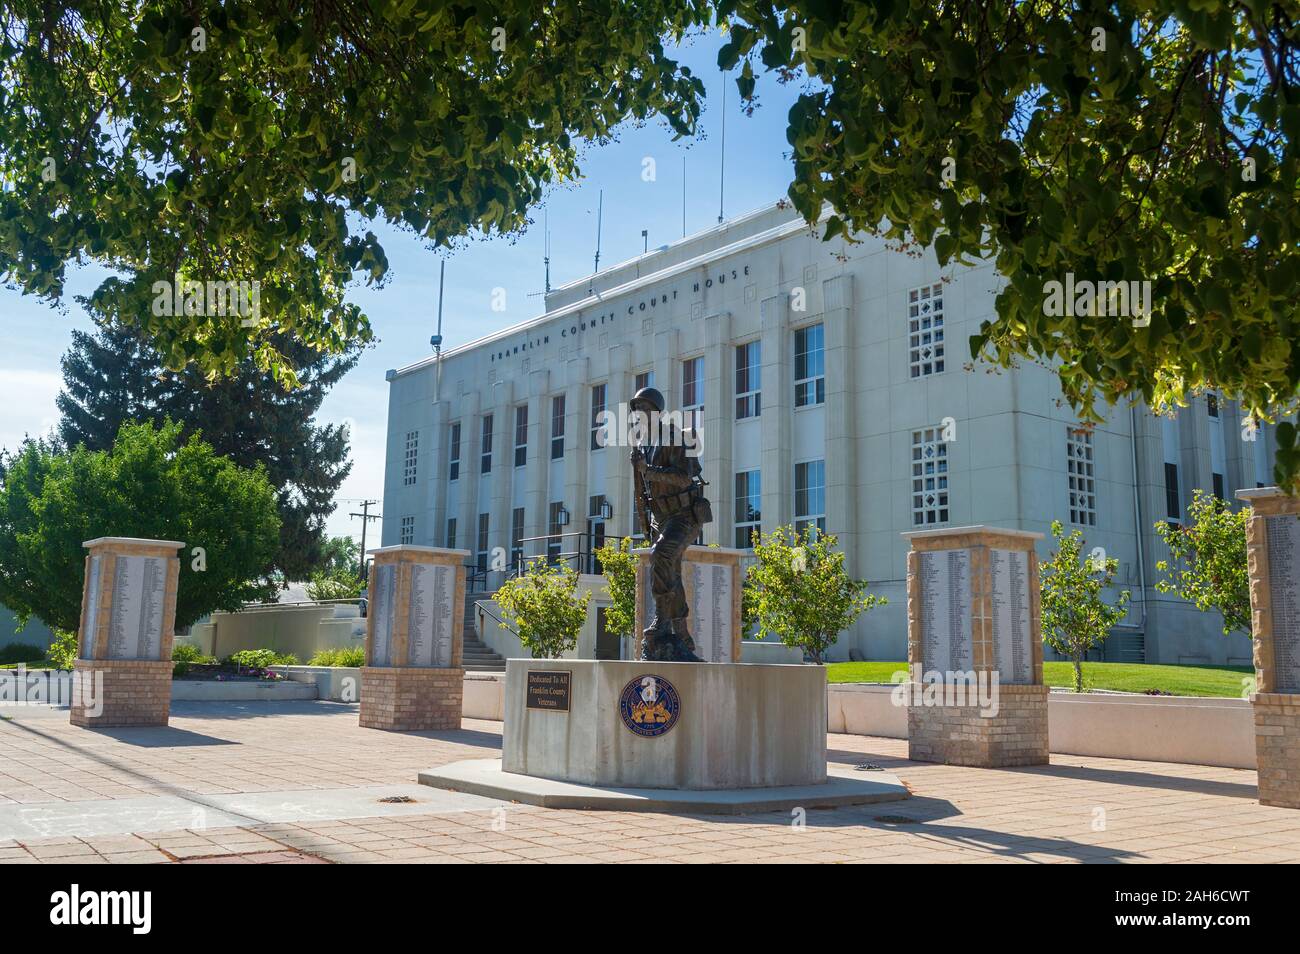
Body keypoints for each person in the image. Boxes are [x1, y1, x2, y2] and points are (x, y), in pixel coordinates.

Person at [629, 386, 712, 662]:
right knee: (669, 570)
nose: (638, 414)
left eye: (643, 408)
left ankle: (663, 620)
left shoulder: (673, 435)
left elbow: (683, 478)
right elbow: (642, 493)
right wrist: (645, 524)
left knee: (662, 555)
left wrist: (647, 470)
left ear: (655, 411)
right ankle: (681, 631)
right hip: (660, 519)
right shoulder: (643, 444)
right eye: (636, 409)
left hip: (684, 515)